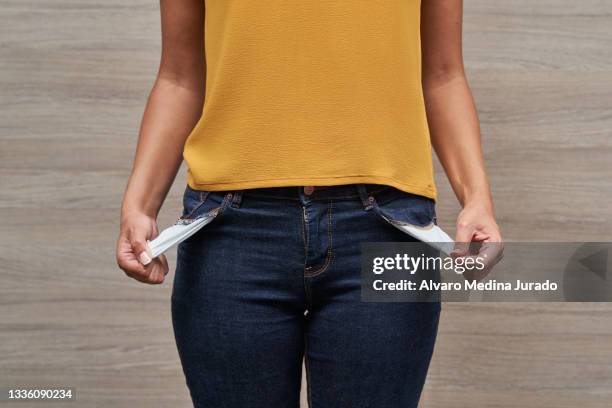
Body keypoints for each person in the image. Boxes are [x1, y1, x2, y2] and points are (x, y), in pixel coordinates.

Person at [116, 1, 502, 407]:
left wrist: (477, 200)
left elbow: (443, 75)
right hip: (231, 233)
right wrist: (139, 205)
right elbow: (179, 77)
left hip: (385, 229)